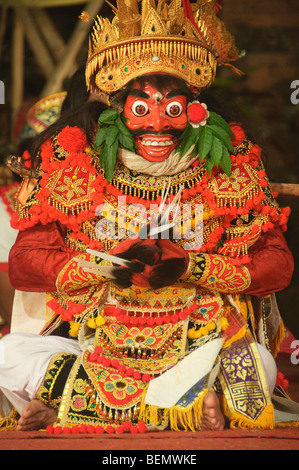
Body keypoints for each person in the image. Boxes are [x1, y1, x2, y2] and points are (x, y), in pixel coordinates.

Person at [0, 0, 297, 433]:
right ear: (116, 110)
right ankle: (184, 408)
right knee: (10, 356)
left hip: (198, 336)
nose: (157, 125)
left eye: (173, 110)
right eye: (141, 110)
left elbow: (278, 265)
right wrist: (104, 265)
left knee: (259, 364)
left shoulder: (230, 163)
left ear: (197, 110)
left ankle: (67, 403)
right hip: (96, 338)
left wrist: (193, 267)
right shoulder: (74, 162)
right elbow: (26, 263)